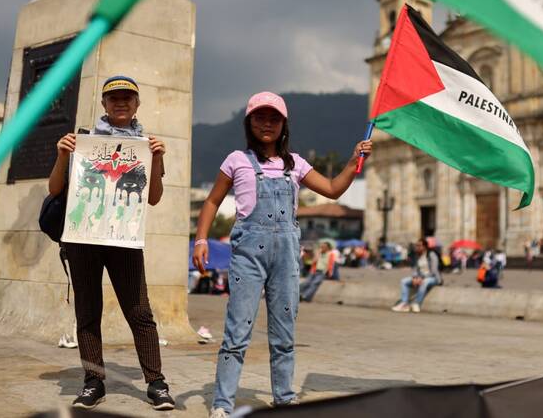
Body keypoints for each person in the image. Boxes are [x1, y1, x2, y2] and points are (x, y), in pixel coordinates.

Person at [192, 91, 371, 418]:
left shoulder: (296, 164)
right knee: (237, 332)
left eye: (274, 118)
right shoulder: (236, 160)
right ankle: (222, 403)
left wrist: (352, 161)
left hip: (286, 258)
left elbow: (332, 189)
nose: (267, 124)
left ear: (283, 125)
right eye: (260, 118)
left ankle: (285, 399)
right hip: (248, 258)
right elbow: (212, 201)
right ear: (249, 123)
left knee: (284, 334)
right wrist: (201, 239)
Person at [47, 75, 174, 410]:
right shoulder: (83, 141)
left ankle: (156, 382)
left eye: (127, 98)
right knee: (88, 312)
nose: (120, 103)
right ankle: (93, 381)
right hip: (83, 238)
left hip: (124, 239)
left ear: (137, 104)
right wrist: (62, 155)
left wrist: (158, 159)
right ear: (103, 104)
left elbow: (154, 198)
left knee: (140, 311)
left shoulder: (146, 146)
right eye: (113, 98)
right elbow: (55, 189)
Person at [391, 238, 442, 313]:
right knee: (404, 281)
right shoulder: (417, 256)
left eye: (419, 245)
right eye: (416, 245)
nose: (417, 247)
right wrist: (415, 277)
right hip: (420, 277)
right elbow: (415, 269)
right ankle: (404, 303)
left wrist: (421, 278)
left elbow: (434, 271)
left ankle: (416, 303)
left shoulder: (431, 254)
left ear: (424, 247)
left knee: (424, 282)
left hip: (433, 278)